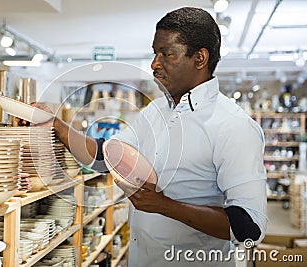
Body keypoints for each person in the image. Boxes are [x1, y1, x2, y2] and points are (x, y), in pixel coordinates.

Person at [33, 7, 267, 267]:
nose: (155, 64)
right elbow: (103, 156)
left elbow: (249, 227)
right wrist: (56, 124)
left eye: (166, 54)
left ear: (200, 58)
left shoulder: (233, 126)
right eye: (154, 53)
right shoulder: (155, 111)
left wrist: (164, 206)